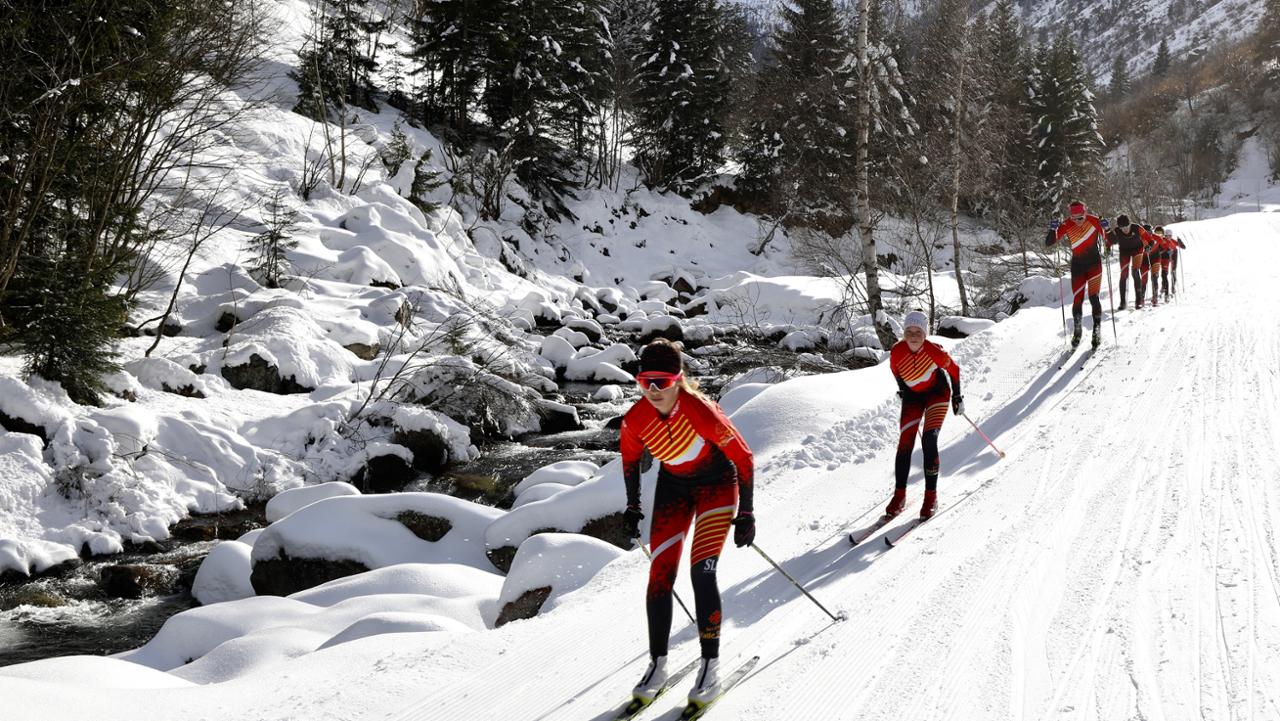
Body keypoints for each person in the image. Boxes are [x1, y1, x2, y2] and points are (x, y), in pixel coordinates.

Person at [620, 339, 755, 708]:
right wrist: (632, 508)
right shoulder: (636, 419)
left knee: (701, 572)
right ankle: (658, 665)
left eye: (661, 382)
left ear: (679, 380)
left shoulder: (701, 411)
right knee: (659, 576)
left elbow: (743, 458)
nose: (652, 390)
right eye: (644, 382)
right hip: (673, 488)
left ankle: (710, 666)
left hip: (716, 487)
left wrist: (747, 512)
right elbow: (630, 462)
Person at [886, 311, 962, 520]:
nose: (913, 336)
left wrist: (957, 396)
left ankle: (931, 497)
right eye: (909, 331)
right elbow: (896, 372)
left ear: (925, 334)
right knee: (905, 443)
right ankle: (899, 495)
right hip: (913, 397)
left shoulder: (934, 351)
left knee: (929, 439)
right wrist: (903, 388)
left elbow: (954, 370)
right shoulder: (897, 352)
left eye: (918, 331)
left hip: (938, 393)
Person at [1047, 200, 1107, 348]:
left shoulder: (1094, 221)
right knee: (1077, 300)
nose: (1078, 221)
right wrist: (1051, 230)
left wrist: (1109, 229)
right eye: (1074, 219)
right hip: (1078, 267)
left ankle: (1096, 330)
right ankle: (1077, 331)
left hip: (1094, 266)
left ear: (1085, 213)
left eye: (1080, 218)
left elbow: (1113, 240)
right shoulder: (1067, 224)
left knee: (1094, 298)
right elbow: (1049, 242)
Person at [1104, 214, 1144, 310]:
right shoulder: (1117, 231)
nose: (1125, 229)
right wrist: (1107, 248)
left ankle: (1139, 300)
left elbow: (1147, 237)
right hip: (1124, 251)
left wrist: (1149, 245)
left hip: (1137, 250)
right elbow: (1110, 240)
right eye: (1122, 228)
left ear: (1130, 224)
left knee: (1135, 272)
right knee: (1124, 274)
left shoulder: (1136, 228)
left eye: (1126, 226)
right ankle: (1122, 302)